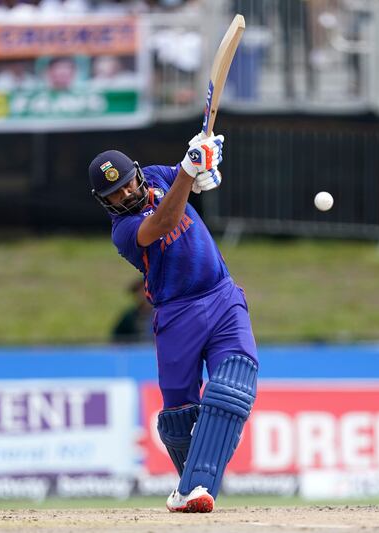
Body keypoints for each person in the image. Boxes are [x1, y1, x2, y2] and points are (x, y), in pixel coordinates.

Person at [88, 132, 258, 513]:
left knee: (233, 387)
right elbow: (165, 222)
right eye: (113, 193)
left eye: (126, 183)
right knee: (180, 418)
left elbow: (195, 180)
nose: (125, 194)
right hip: (177, 313)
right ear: (105, 201)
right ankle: (189, 489)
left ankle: (197, 486)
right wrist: (187, 169)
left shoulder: (157, 176)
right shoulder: (124, 232)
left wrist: (207, 163)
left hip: (221, 294)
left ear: (136, 173)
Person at [111, 278, 153, 343]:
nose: (144, 295)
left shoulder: (162, 314)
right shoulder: (130, 317)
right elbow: (117, 337)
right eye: (140, 292)